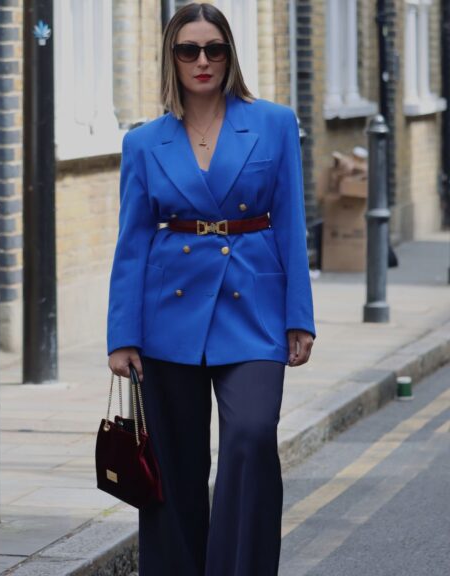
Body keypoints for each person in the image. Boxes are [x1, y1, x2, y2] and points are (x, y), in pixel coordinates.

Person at [106, 3, 315, 575]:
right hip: (167, 314)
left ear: (230, 56)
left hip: (256, 308)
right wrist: (122, 335)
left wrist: (301, 317)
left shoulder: (272, 122)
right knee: (173, 466)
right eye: (189, 50)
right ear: (170, 58)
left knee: (250, 435)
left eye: (214, 49)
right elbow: (132, 241)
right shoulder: (144, 142)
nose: (203, 61)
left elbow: (291, 224)